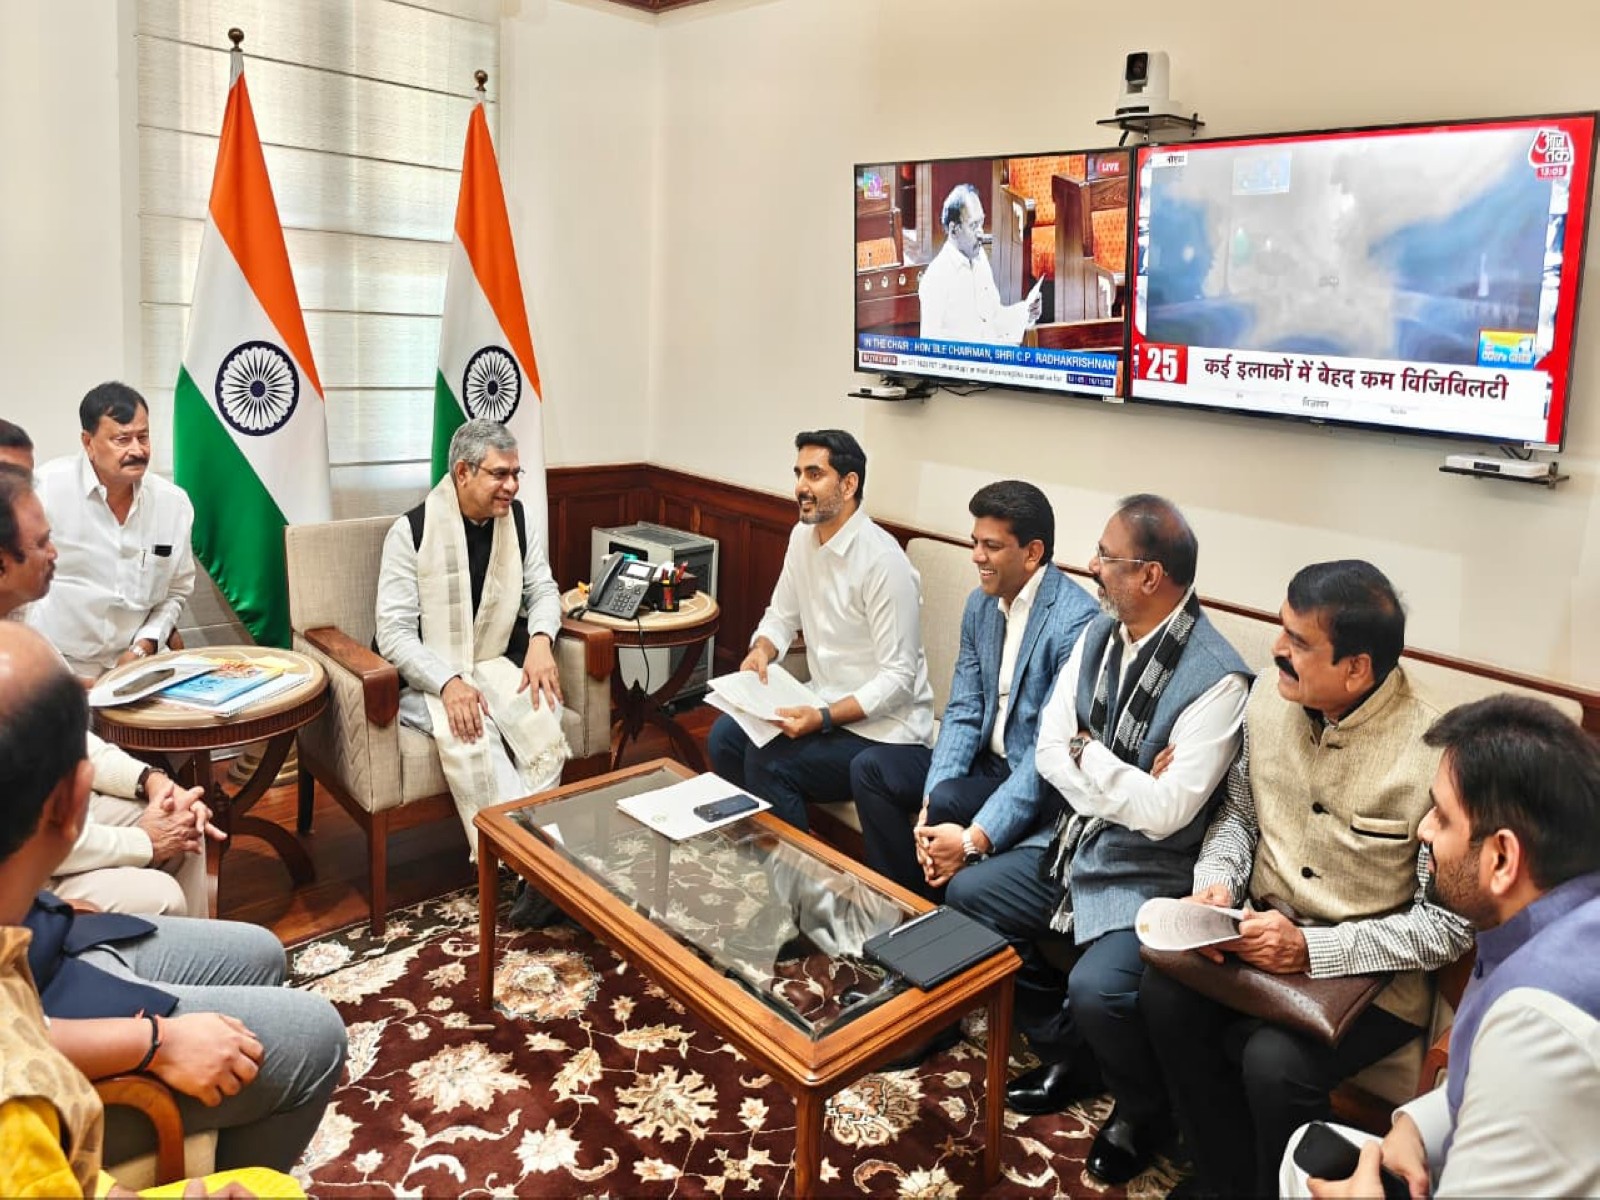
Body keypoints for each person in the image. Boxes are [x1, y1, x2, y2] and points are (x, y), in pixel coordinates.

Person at [1141, 560, 1476, 1199]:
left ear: (1357, 668)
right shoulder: (1268, 696)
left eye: (1298, 642)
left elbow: (1447, 924)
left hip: (1372, 976)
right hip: (1256, 936)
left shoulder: (1436, 748)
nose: (1276, 649)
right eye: (1281, 629)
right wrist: (1217, 886)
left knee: (1274, 1062)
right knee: (1163, 995)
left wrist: (1312, 951)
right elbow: (1240, 814)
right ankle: (1225, 1181)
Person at [952, 494, 1249, 1186]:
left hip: (1150, 872)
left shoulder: (1219, 679)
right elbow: (1052, 752)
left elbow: (1169, 814)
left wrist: (1093, 756)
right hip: (1076, 840)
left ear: (1151, 575)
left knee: (1098, 989)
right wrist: (1118, 773)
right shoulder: (1099, 634)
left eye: (1107, 558)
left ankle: (1143, 1111)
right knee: (970, 895)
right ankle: (1070, 1055)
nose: (1091, 566)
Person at [0, 621, 342, 1191]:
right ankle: (229, 1165)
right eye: (39, 544)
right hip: (63, 1010)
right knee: (318, 1037)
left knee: (261, 950)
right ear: (73, 801)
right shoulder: (21, 1114)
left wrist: (45, 904)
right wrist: (157, 1043)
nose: (52, 552)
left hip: (49, 938)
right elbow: (22, 1044)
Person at [1284, 695, 1600, 1199]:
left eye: (1443, 817)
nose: (1424, 829)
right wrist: (1415, 1124)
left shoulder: (1540, 1022)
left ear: (1501, 858)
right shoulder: (1562, 918)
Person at [850, 480, 1096, 899]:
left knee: (950, 796)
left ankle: (938, 929)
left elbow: (1046, 754)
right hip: (985, 761)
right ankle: (907, 904)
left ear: (1033, 553)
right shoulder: (980, 604)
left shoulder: (1075, 622)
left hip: (1033, 777)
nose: (977, 556)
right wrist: (928, 800)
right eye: (975, 542)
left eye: (992, 546)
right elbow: (963, 710)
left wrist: (943, 800)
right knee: (870, 769)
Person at [1, 464, 215, 917]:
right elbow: (22, 832)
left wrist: (152, 782)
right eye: (40, 545)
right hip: (20, 866)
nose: (55, 553)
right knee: (161, 897)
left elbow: (72, 743)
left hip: (58, 820)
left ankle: (203, 964)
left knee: (183, 821)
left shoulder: (20, 623)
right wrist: (143, 842)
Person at [709, 429, 933, 831]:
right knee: (724, 736)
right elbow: (780, 615)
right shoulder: (801, 538)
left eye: (814, 475)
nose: (800, 487)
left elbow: (899, 680)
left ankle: (798, 887)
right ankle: (751, 860)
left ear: (849, 485)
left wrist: (824, 717)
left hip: (882, 730)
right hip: (821, 701)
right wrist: (761, 649)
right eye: (798, 474)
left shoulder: (883, 561)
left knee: (770, 764)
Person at [376, 418, 568, 858]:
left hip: (492, 661)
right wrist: (448, 683)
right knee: (474, 736)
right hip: (426, 680)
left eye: (516, 473)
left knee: (544, 715)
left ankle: (530, 866)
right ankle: (532, 863)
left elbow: (543, 589)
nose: (513, 485)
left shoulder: (518, 521)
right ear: (463, 473)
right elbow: (393, 633)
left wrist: (541, 640)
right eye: (500, 474)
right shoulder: (411, 532)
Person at [27, 383, 196, 679]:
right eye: (122, 439)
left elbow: (176, 593)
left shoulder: (173, 504)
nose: (137, 450)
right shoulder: (43, 491)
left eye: (143, 437)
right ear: (88, 442)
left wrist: (144, 647)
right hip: (60, 668)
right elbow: (17, 594)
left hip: (139, 664)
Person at [918, 183, 1042, 345]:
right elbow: (929, 346)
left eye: (981, 223)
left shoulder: (980, 258)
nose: (981, 233)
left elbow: (994, 317)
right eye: (973, 226)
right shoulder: (936, 277)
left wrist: (1026, 312)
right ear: (954, 230)